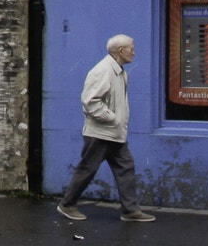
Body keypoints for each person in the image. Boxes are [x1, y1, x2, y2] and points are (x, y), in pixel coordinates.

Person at [56, 34, 155, 224]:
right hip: (100, 133)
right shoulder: (102, 71)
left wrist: (117, 124)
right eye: (131, 48)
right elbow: (90, 102)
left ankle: (130, 210)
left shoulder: (120, 71)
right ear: (120, 51)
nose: (134, 52)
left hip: (115, 133)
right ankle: (67, 204)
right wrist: (113, 118)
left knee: (126, 168)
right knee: (87, 169)